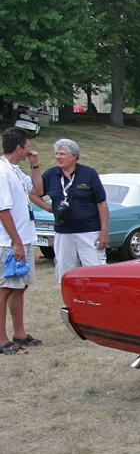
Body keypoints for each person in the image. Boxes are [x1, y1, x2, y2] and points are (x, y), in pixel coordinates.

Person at [35, 138, 110, 281]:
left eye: (62, 154)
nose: (58, 157)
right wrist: (49, 208)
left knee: (95, 272)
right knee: (66, 273)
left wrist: (104, 232)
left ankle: (94, 301)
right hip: (63, 233)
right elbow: (34, 194)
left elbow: (101, 203)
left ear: (74, 156)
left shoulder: (89, 174)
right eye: (56, 154)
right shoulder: (51, 174)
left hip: (89, 232)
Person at [0, 127, 43, 355]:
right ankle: (1, 340)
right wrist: (16, 243)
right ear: (19, 148)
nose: (29, 149)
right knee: (4, 288)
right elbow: (3, 211)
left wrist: (34, 165)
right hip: (7, 241)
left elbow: (38, 190)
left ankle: (20, 333)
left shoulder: (15, 170)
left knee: (20, 287)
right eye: (28, 146)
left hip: (22, 238)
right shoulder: (1, 172)